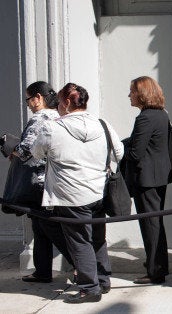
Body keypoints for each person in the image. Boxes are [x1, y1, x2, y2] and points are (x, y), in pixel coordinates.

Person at [31, 83, 123, 303]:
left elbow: (36, 152)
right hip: (99, 191)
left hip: (70, 194)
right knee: (98, 238)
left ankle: (90, 288)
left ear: (66, 102)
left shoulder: (52, 128)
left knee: (80, 242)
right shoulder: (102, 124)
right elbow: (118, 152)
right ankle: (102, 280)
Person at [7, 82, 74, 283]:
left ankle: (82, 266)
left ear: (38, 97)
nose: (28, 104)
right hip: (51, 180)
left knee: (49, 226)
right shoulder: (57, 115)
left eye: (28, 99)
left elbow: (25, 150)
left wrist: (7, 146)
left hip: (38, 183)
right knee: (40, 227)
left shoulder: (40, 118)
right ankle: (42, 270)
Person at [123, 76, 171, 285]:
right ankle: (157, 264)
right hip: (158, 176)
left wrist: (119, 147)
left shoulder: (145, 118)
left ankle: (155, 272)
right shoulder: (161, 114)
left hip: (146, 179)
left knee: (150, 225)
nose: (129, 95)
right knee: (155, 223)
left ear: (142, 94)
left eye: (132, 91)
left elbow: (135, 153)